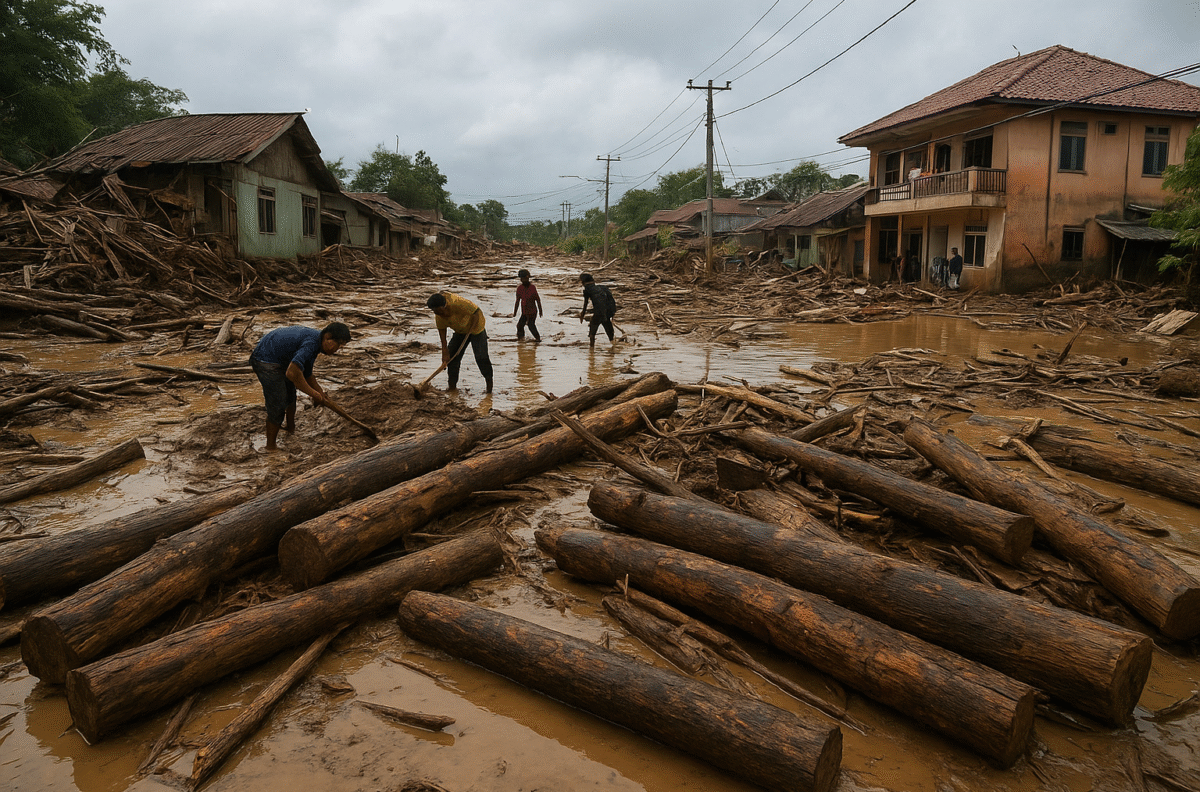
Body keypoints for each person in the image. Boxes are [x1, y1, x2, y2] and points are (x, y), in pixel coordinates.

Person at [249, 322, 351, 451]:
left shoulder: (316, 342)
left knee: (291, 395)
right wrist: (314, 394)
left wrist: (320, 392)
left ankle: (290, 428)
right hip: (265, 360)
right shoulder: (312, 344)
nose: (338, 349)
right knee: (278, 403)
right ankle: (270, 447)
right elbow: (292, 373)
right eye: (339, 345)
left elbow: (307, 373)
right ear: (328, 338)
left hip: (281, 359)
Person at [427, 291, 493, 392]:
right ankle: (452, 388)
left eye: (439, 311)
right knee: (452, 357)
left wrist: (471, 329)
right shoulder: (439, 316)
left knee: (481, 357)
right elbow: (442, 335)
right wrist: (445, 352)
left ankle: (489, 387)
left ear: (444, 306)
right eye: (435, 312)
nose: (439, 314)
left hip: (476, 329)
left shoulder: (457, 302)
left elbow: (476, 312)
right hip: (460, 330)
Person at [578, 273, 616, 347]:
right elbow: (611, 300)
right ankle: (613, 349)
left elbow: (585, 304)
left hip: (599, 313)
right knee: (609, 331)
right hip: (608, 312)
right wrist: (612, 313)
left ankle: (591, 353)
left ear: (583, 282)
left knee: (592, 334)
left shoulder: (587, 290)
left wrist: (582, 315)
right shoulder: (603, 288)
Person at [512, 268, 543, 341]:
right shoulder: (520, 288)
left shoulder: (532, 288)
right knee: (519, 326)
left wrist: (540, 311)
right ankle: (521, 339)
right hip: (525, 312)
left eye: (525, 278)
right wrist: (515, 312)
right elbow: (517, 301)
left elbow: (538, 300)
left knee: (531, 325)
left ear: (528, 278)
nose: (523, 280)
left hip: (532, 312)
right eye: (522, 278)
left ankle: (538, 339)